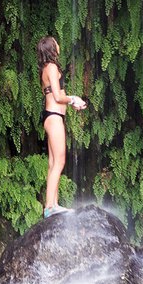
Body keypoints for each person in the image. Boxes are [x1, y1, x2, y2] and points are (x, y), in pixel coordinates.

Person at [38, 35, 86, 219]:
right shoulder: (51, 67)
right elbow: (58, 97)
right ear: (52, 47)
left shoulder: (46, 68)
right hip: (54, 117)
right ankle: (49, 207)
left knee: (53, 163)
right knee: (60, 161)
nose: (59, 44)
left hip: (52, 116)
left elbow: (56, 94)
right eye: (56, 42)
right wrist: (73, 98)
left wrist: (72, 103)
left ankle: (53, 204)